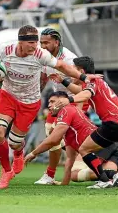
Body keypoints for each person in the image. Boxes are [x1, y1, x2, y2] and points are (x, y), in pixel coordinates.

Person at [0, 25, 101, 189]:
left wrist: (84, 77)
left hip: (31, 102)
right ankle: (6, 171)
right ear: (20, 42)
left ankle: (19, 152)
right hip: (7, 96)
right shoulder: (5, 49)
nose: (35, 46)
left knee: (15, 142)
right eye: (32, 42)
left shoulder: (42, 54)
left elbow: (63, 67)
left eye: (37, 42)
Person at [52, 56, 118, 188]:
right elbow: (82, 91)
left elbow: (86, 95)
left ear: (80, 70)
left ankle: (105, 182)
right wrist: (63, 81)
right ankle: (115, 177)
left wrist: (68, 100)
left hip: (114, 123)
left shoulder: (91, 81)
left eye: (72, 69)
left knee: (84, 149)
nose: (70, 72)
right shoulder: (94, 81)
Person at [24, 92, 118, 187]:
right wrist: (64, 184)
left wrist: (33, 153)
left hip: (99, 148)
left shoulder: (66, 110)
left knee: (76, 175)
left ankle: (105, 179)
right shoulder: (69, 129)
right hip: (112, 151)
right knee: (113, 178)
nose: (49, 105)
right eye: (49, 102)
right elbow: (70, 158)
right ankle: (115, 176)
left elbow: (53, 140)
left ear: (62, 101)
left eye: (52, 101)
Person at [34, 28, 78, 185]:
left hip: (74, 101)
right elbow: (44, 78)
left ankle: (101, 168)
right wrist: (35, 96)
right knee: (52, 135)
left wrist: (72, 100)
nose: (43, 46)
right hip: (56, 101)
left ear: (56, 42)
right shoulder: (43, 56)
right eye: (41, 42)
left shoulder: (70, 59)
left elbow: (80, 83)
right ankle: (50, 175)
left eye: (46, 42)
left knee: (76, 143)